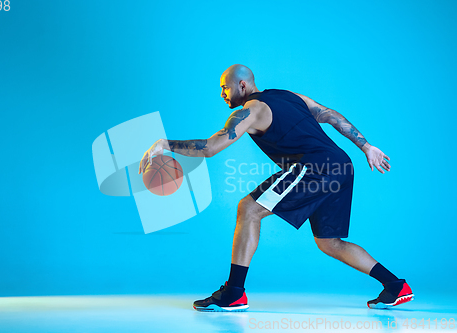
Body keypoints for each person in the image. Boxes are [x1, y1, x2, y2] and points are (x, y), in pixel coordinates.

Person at [138, 64, 413, 312]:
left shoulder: (250, 110)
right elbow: (329, 114)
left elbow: (210, 148)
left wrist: (165, 144)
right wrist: (366, 146)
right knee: (329, 242)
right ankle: (395, 286)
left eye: (225, 87)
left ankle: (234, 293)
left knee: (248, 209)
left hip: (315, 167)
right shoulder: (288, 95)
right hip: (342, 165)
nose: (222, 93)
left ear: (242, 85)